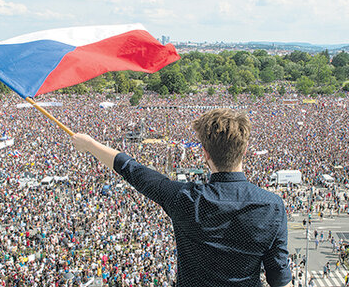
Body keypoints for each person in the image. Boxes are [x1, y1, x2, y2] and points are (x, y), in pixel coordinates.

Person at [72, 108, 292, 287]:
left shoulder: (185, 199)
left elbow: (133, 170)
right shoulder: (271, 206)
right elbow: (280, 280)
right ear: (244, 150)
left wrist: (90, 145)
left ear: (205, 153)